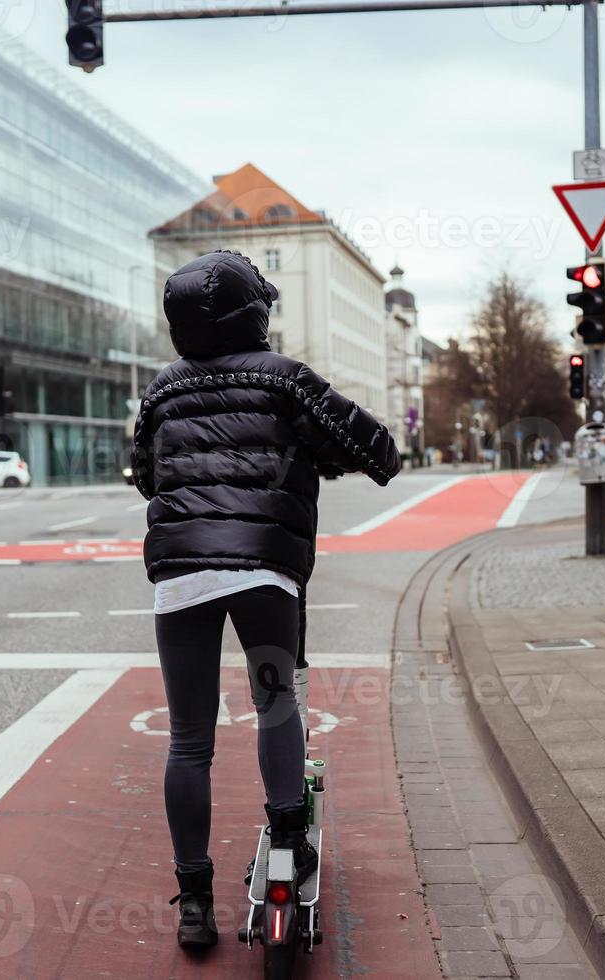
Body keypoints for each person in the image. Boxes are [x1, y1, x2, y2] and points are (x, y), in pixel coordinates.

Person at [130, 250, 400, 949]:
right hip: (263, 572)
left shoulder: (160, 391)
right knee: (275, 704)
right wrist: (314, 453)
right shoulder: (284, 379)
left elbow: (146, 476)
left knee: (189, 741)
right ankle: (288, 839)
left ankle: (194, 901)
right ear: (256, 311)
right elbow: (379, 452)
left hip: (181, 575)